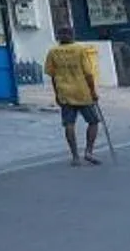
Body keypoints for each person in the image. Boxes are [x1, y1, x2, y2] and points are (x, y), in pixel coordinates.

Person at [43, 26, 105, 166]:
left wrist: (57, 94)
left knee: (69, 124)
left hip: (64, 92)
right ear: (72, 35)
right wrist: (93, 91)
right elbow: (88, 74)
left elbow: (52, 76)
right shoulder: (80, 50)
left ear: (58, 36)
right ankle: (88, 151)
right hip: (82, 92)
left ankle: (75, 156)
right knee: (93, 121)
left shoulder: (53, 52)